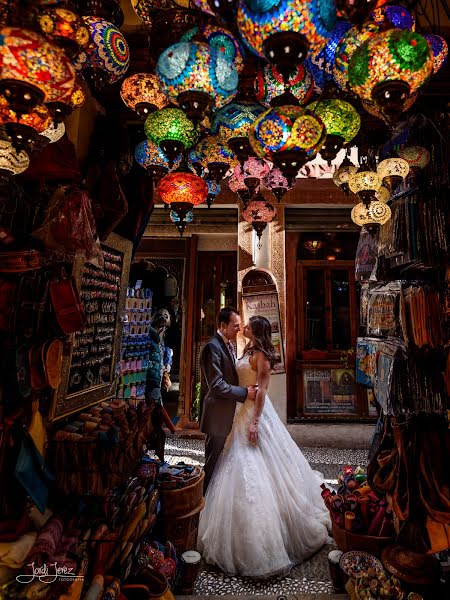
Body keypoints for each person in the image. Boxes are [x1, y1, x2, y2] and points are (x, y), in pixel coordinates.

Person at [198, 315, 331, 578]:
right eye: (238, 324)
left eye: (246, 325)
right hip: (240, 409)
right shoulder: (243, 348)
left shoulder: (262, 357)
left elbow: (261, 391)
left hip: (254, 412)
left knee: (255, 461)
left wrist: (256, 422)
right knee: (228, 459)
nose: (242, 327)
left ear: (255, 331)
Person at [199, 307, 257, 492]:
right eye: (235, 326)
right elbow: (216, 385)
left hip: (228, 413)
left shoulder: (227, 344)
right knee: (213, 462)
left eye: (240, 326)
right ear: (223, 325)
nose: (238, 330)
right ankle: (204, 502)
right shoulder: (212, 347)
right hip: (217, 414)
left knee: (221, 463)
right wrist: (244, 393)